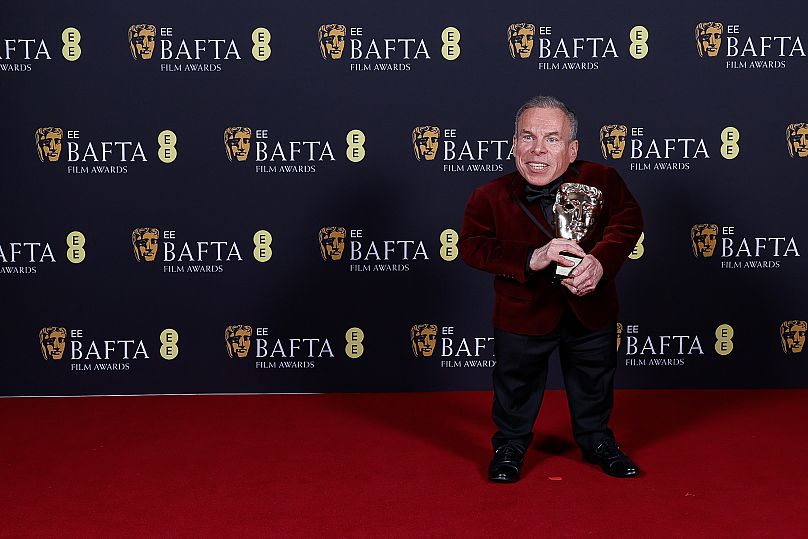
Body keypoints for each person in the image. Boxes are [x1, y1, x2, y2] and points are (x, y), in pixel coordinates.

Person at [459, 95, 643, 482]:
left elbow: (628, 221)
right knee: (515, 386)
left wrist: (599, 262)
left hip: (589, 306)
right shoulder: (488, 195)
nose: (537, 149)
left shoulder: (603, 179)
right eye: (527, 137)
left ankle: (597, 441)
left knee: (594, 380)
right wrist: (531, 257)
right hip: (523, 311)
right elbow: (472, 247)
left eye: (552, 139)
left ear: (572, 148)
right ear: (513, 145)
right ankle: (509, 445)